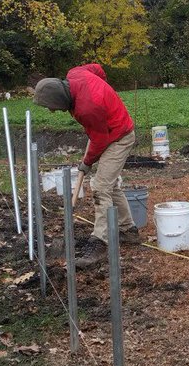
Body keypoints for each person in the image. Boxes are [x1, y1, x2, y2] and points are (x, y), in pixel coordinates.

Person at [33, 64, 138, 269]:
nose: (52, 111)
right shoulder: (75, 73)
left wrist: (86, 163)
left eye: (51, 106)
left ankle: (100, 242)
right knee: (108, 184)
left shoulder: (88, 109)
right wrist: (104, 92)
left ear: (60, 100)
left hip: (119, 136)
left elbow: (100, 141)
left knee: (100, 186)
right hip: (105, 129)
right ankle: (128, 230)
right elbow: (97, 69)